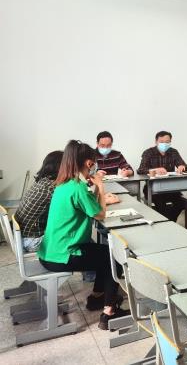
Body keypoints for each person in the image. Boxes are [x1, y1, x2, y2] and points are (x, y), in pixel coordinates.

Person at [37, 140, 126, 330]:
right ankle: (109, 313)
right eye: (94, 163)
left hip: (50, 251)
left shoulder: (65, 183)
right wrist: (101, 186)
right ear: (89, 163)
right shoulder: (77, 187)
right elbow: (100, 214)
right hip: (62, 255)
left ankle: (97, 298)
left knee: (102, 252)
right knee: (113, 258)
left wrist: (96, 190)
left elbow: (89, 206)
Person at [14, 151, 63, 252]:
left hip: (21, 237)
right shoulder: (51, 187)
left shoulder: (42, 181)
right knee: (75, 235)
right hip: (32, 241)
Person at [137, 130, 187, 222]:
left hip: (170, 188)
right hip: (153, 189)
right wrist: (155, 170)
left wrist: (182, 166)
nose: (164, 144)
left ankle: (170, 221)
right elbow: (140, 170)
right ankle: (168, 222)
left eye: (167, 142)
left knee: (183, 202)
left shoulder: (173, 152)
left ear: (170, 142)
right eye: (161, 142)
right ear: (156, 142)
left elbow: (184, 166)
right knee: (161, 206)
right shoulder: (148, 153)